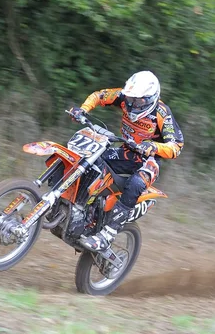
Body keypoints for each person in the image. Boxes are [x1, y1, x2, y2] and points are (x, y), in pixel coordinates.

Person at [69, 70, 184, 252]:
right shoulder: (123, 96)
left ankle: (108, 234)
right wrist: (83, 109)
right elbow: (99, 96)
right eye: (131, 98)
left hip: (148, 159)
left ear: (150, 98)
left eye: (138, 100)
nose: (132, 104)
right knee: (91, 159)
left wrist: (154, 147)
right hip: (126, 151)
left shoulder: (162, 113)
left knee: (137, 182)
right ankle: (80, 208)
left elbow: (177, 145)